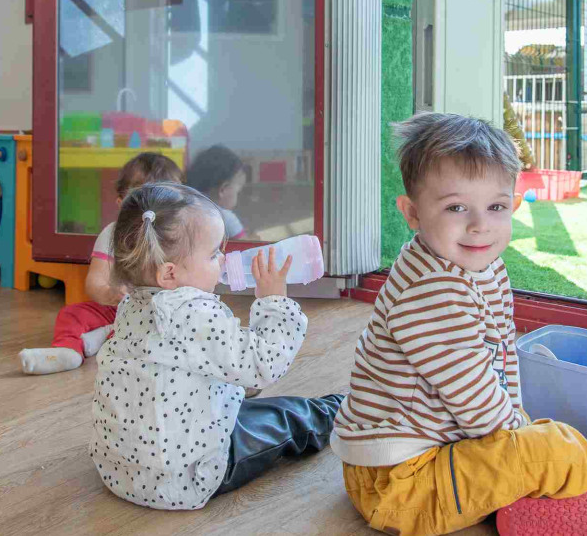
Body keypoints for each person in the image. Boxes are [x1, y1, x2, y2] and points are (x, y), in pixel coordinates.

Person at [331, 112, 587, 536]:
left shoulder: (484, 268)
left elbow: (500, 364)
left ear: (514, 205)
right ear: (413, 213)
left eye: (496, 206)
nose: (479, 224)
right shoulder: (431, 293)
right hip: (400, 484)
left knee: (538, 439)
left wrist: (522, 430)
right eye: (455, 207)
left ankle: (529, 504)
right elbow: (478, 404)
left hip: (446, 450)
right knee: (538, 450)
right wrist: (527, 444)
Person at [91, 181, 343, 509]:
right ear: (169, 275)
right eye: (213, 254)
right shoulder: (194, 311)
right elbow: (263, 364)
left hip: (120, 470)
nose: (224, 260)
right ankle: (340, 408)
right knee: (288, 416)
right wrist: (273, 301)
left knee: (237, 395)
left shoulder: (130, 306)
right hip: (187, 478)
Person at [18, 152, 183, 375]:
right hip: (117, 309)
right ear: (121, 204)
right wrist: (109, 293)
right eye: (140, 202)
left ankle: (104, 336)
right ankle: (68, 350)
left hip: (163, 314)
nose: (151, 212)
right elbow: (95, 282)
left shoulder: (179, 237)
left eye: (163, 201)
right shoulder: (113, 234)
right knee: (72, 314)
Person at [186, 144, 248, 240]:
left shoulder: (184, 208)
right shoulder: (226, 218)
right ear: (223, 190)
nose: (238, 196)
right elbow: (245, 245)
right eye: (237, 192)